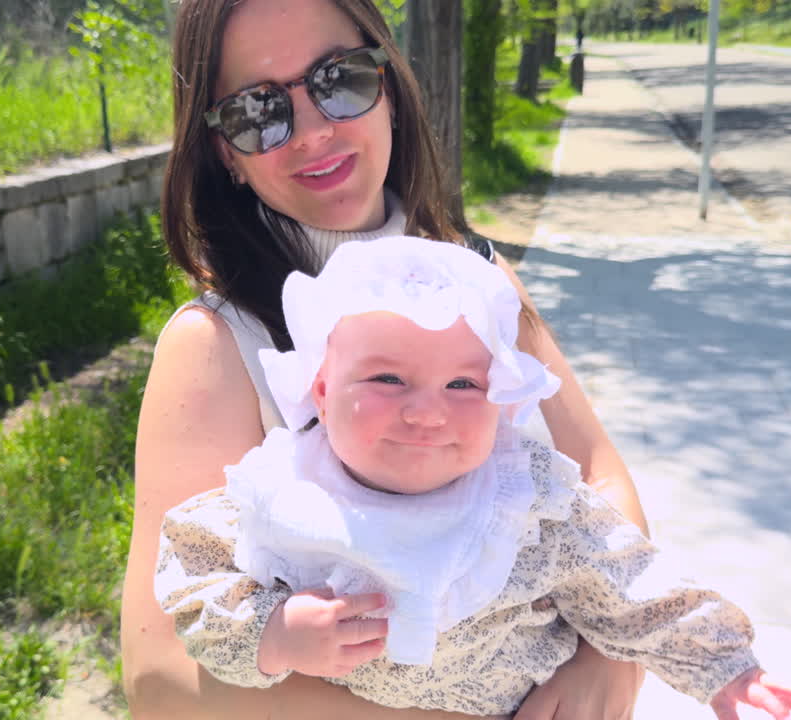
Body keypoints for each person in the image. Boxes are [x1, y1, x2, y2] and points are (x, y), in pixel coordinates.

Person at [122, 0, 653, 717]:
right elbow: (161, 677)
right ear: (224, 151)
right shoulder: (216, 344)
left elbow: (593, 469)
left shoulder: (479, 275)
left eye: (338, 78)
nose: (312, 132)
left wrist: (614, 659)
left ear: (390, 87)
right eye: (256, 111)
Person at [153, 237, 791, 720]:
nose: (427, 410)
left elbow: (632, 587)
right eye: (388, 378)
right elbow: (191, 582)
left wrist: (725, 668)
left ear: (503, 403)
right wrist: (273, 634)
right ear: (321, 390)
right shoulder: (285, 491)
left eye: (464, 384)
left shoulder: (526, 504)